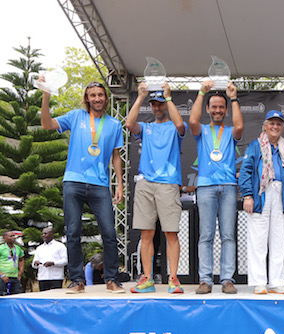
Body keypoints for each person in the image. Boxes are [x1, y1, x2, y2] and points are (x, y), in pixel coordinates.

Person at [40, 79, 125, 294]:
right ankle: (77, 280)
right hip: (73, 181)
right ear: (87, 98)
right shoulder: (75, 116)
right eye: (93, 95)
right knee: (73, 232)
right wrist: (46, 95)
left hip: (100, 184)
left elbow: (116, 156)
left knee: (109, 232)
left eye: (100, 95)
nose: (97, 98)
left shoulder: (114, 124)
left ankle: (112, 279)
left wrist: (120, 184)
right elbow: (47, 124)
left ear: (106, 98)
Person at [126, 83, 187, 294]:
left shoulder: (174, 127)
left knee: (171, 232)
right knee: (146, 233)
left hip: (169, 183)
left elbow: (181, 126)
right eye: (154, 104)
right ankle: (147, 278)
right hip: (145, 183)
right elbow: (129, 123)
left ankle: (173, 278)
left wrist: (169, 98)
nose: (157, 108)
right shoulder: (146, 127)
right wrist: (140, 97)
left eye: (160, 104)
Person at [189, 81, 243, 294]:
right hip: (205, 187)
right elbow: (192, 120)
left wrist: (234, 97)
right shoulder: (201, 131)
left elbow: (240, 127)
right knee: (206, 235)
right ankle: (205, 280)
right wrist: (202, 92)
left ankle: (227, 279)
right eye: (214, 107)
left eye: (222, 107)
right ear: (208, 109)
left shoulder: (230, 132)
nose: (218, 110)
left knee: (228, 235)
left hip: (229, 186)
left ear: (226, 110)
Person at [239, 110, 284, 294]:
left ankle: (277, 281)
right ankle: (259, 282)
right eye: (271, 123)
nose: (275, 126)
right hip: (261, 194)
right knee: (258, 240)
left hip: (281, 194)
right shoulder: (255, 146)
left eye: (278, 124)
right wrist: (247, 195)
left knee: (278, 240)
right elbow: (245, 172)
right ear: (265, 126)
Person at [31, 227, 67, 291]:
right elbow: (34, 264)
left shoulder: (60, 246)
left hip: (55, 277)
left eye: (45, 233)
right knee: (44, 298)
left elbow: (65, 261)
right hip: (43, 277)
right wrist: (35, 263)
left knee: (55, 297)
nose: (43, 235)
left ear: (52, 234)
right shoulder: (39, 248)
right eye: (42, 234)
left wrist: (53, 263)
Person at [0, 231, 24, 295]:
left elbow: (21, 259)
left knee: (17, 296)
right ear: (4, 238)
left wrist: (21, 271)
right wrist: (2, 275)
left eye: (14, 236)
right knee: (3, 297)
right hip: (2, 277)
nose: (13, 237)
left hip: (14, 277)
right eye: (11, 236)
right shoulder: (1, 248)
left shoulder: (18, 248)